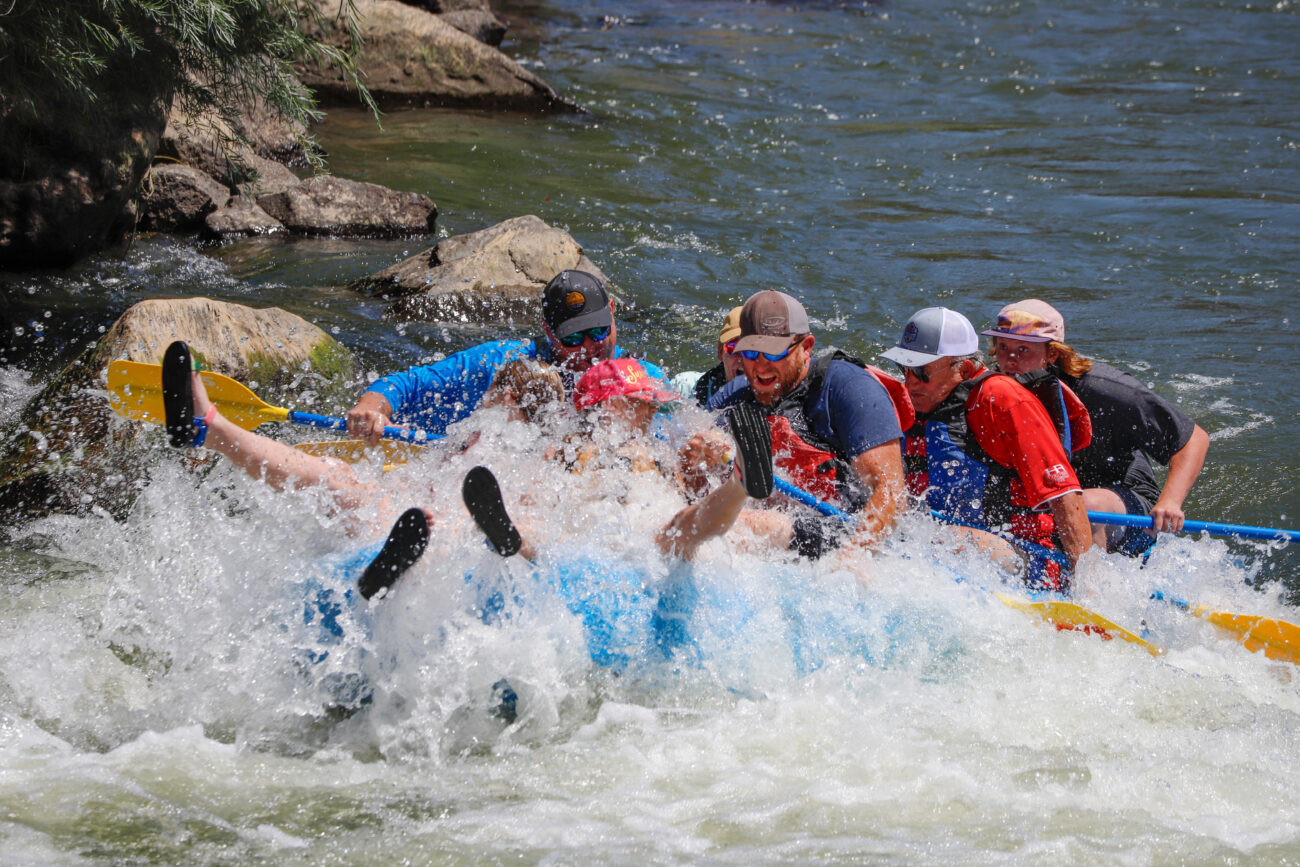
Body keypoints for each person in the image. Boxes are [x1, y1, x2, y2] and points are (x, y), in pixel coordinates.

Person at [661, 290, 907, 561]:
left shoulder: (849, 387)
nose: (761, 366)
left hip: (841, 531)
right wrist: (693, 463)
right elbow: (691, 488)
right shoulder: (734, 396)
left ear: (806, 347)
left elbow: (891, 491)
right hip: (769, 526)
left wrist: (855, 554)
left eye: (774, 352)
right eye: (751, 352)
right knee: (678, 526)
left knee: (749, 525)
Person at [882, 307, 1092, 590]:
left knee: (936, 538)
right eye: (904, 369)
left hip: (1029, 558)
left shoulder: (1004, 402)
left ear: (965, 369)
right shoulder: (913, 399)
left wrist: (1089, 589)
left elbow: (1065, 496)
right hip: (942, 546)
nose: (910, 382)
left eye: (921, 372)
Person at [982, 299, 1210, 554]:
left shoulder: (1105, 389)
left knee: (1084, 507)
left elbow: (1193, 439)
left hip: (1121, 504)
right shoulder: (993, 391)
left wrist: (1170, 501)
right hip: (1056, 498)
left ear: (1052, 354)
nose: (1010, 360)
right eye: (1003, 347)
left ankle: (1093, 588)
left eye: (1023, 350)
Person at [346, 269, 666, 446]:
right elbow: (408, 384)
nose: (587, 347)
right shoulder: (503, 362)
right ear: (548, 331)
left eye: (597, 332)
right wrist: (371, 409)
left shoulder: (643, 380)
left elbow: (670, 441)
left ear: (611, 313)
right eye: (571, 338)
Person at [685, 305, 745, 406]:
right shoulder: (691, 387)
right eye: (734, 349)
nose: (744, 359)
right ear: (720, 352)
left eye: (753, 351)